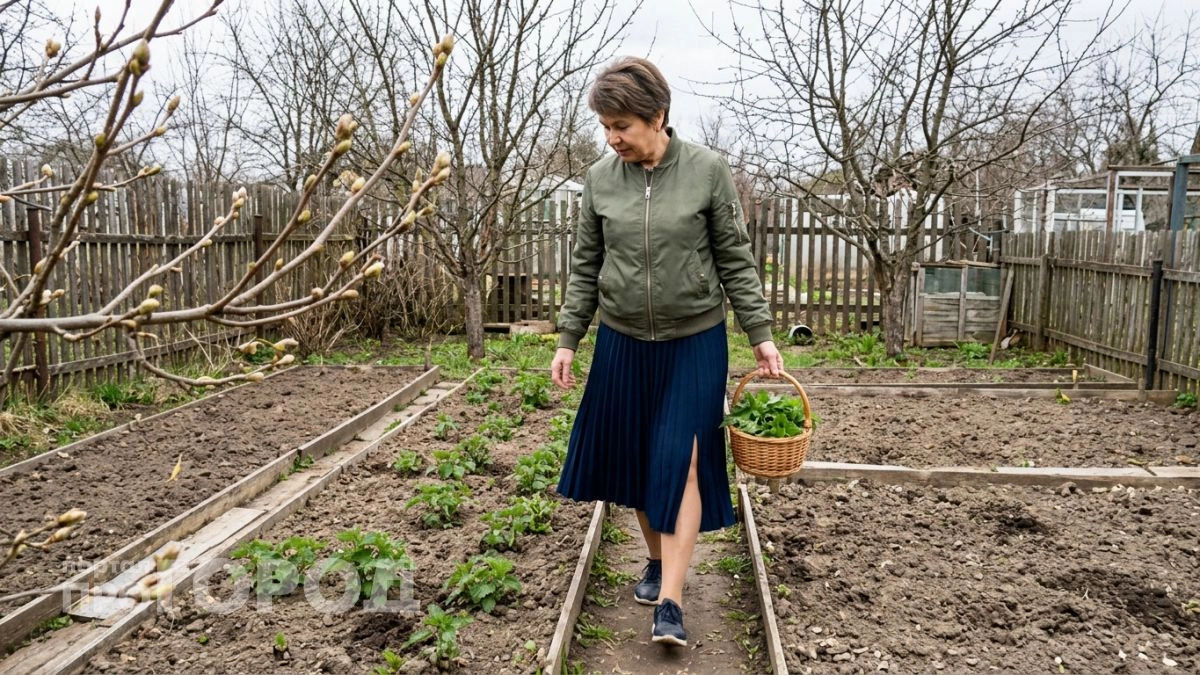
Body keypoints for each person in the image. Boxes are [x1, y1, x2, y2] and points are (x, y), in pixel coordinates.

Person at [550, 56, 783, 647]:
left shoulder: (707, 171)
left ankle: (672, 604)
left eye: (621, 125)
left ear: (657, 116)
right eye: (605, 126)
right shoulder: (601, 180)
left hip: (694, 340)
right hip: (622, 338)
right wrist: (569, 338)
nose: (612, 138)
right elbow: (586, 266)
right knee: (637, 457)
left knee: (680, 459)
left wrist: (759, 333)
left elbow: (734, 256)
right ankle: (656, 561)